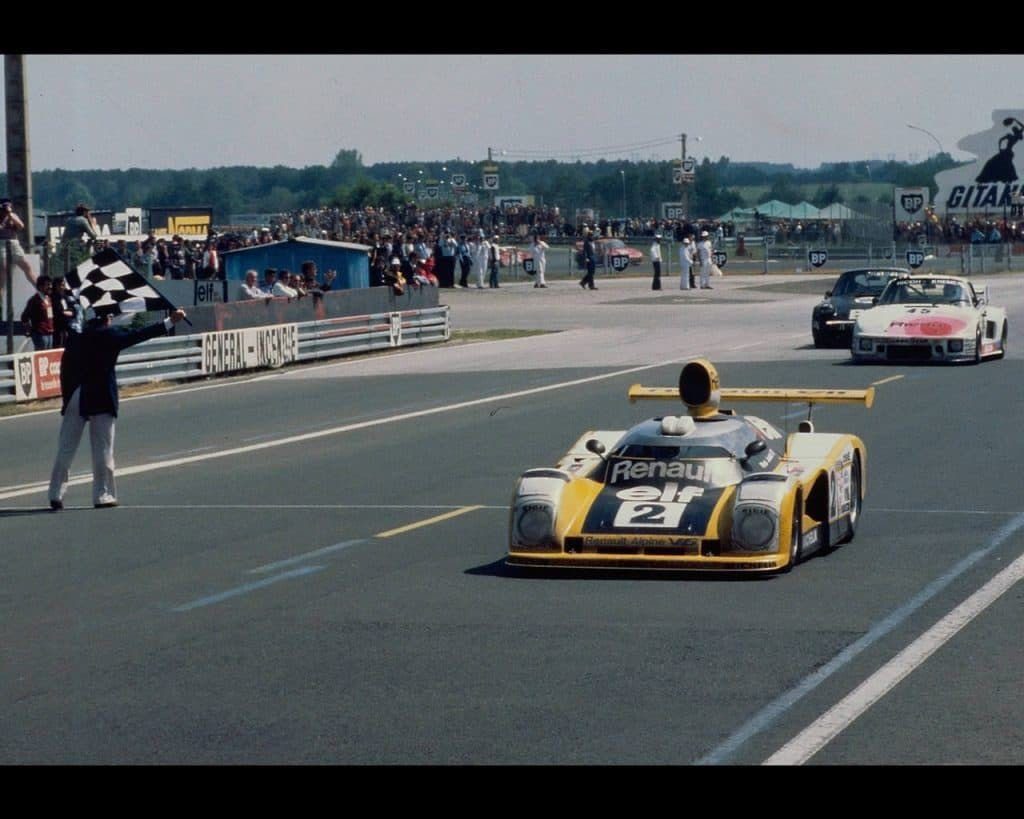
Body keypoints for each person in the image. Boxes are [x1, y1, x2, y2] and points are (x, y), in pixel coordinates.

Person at [47, 303, 188, 510]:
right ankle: (102, 495)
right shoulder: (109, 335)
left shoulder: (77, 338)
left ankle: (55, 493)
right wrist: (169, 322)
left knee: (66, 448)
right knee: (103, 448)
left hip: (77, 393)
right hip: (101, 394)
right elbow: (138, 335)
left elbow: (65, 368)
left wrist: (68, 397)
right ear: (106, 319)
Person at [0, 197, 37, 293]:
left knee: (26, 266)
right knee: (3, 269)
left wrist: (10, 215)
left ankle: (40, 290)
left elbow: (21, 226)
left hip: (14, 243)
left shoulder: (12, 215)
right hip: (2, 243)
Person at [57, 204, 99, 274]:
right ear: (84, 212)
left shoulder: (69, 220)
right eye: (87, 212)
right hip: (75, 248)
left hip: (65, 247)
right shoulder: (82, 220)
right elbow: (93, 236)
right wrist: (92, 222)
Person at [20, 275, 54, 350]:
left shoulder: (48, 299)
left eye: (50, 284)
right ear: (40, 287)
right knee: (42, 357)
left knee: (49, 357)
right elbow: (24, 317)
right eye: (48, 285)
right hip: (40, 334)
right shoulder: (34, 300)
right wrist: (30, 330)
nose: (50, 287)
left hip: (50, 333)